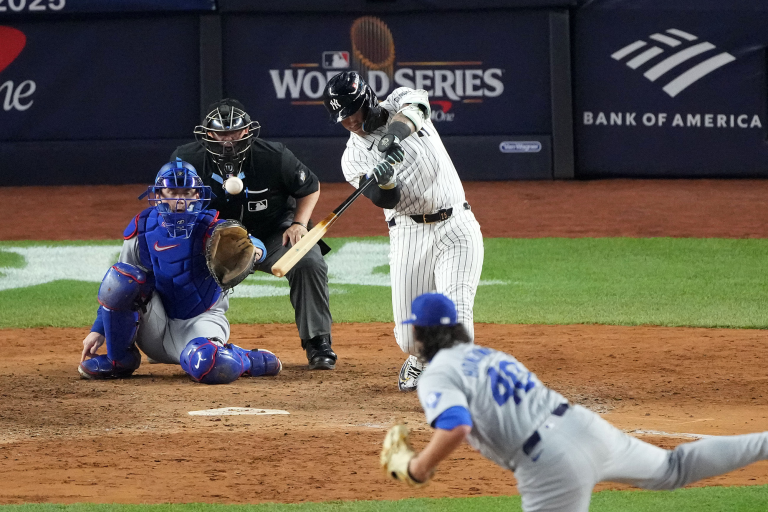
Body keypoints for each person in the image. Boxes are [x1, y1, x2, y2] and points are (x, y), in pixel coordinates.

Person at [382, 292, 768, 511]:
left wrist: (418, 467)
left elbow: (457, 425)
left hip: (548, 464)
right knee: (674, 467)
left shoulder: (436, 372)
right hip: (585, 427)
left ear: (422, 332)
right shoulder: (490, 354)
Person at [322, 71, 484, 391]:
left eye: (352, 112)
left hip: (457, 225)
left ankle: (457, 379)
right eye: (342, 118)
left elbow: (416, 112)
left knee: (458, 317)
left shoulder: (398, 99)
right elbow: (387, 199)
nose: (349, 122)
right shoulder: (353, 157)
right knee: (410, 338)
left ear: (366, 100)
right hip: (410, 234)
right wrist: (385, 180)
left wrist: (392, 137)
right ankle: (419, 359)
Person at [79, 159, 282, 384]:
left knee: (209, 364)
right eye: (172, 192)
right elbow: (116, 286)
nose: (180, 200)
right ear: (159, 193)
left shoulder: (213, 230)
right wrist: (99, 329)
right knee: (123, 278)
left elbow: (250, 242)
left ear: (197, 195)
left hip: (200, 321)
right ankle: (119, 360)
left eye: (187, 192)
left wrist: (256, 252)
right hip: (155, 324)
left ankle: (248, 359)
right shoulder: (144, 229)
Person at [171, 98, 337, 370]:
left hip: (273, 234)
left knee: (308, 260)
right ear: (208, 134)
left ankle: (318, 342)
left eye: (234, 133)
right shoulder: (187, 160)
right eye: (221, 133)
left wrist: (299, 224)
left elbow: (310, 186)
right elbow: (171, 201)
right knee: (172, 261)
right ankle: (170, 338)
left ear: (247, 131)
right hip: (213, 240)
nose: (228, 140)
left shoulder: (274, 157)